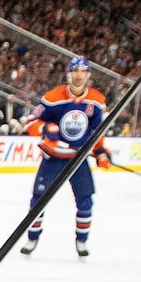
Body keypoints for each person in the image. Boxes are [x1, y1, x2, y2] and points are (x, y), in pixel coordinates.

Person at [20, 57, 110, 260]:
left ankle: (82, 241)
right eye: (75, 71)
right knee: (38, 200)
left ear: (88, 75)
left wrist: (101, 152)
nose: (79, 75)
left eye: (83, 72)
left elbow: (98, 131)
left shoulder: (96, 100)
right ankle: (32, 238)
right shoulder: (53, 97)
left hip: (78, 159)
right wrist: (46, 128)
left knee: (85, 201)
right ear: (69, 74)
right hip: (53, 158)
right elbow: (31, 122)